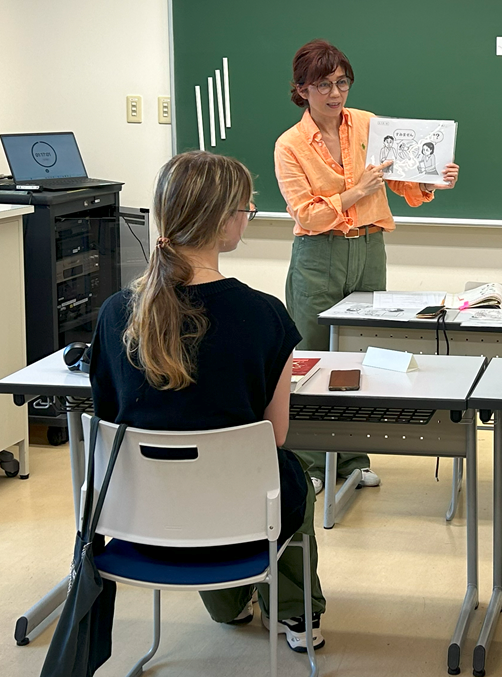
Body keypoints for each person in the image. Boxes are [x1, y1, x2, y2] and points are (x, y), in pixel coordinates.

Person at [88, 151, 326, 652]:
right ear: (223, 221)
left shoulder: (115, 314)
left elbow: (110, 420)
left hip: (144, 522)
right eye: (247, 210)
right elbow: (274, 436)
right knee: (289, 471)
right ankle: (296, 616)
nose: (248, 218)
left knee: (194, 470)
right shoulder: (265, 316)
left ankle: (228, 603)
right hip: (237, 521)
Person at [274, 39, 459, 494]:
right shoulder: (290, 145)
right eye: (323, 85)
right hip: (319, 255)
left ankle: (353, 456)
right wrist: (355, 191)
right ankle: (311, 464)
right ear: (302, 89)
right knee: (313, 356)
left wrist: (434, 179)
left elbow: (399, 181)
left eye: (342, 83)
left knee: (362, 351)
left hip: (369, 247)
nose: (336, 94)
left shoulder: (368, 124)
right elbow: (307, 215)